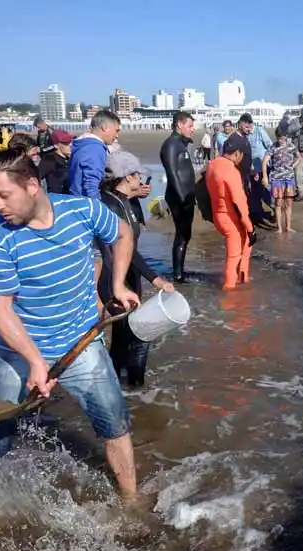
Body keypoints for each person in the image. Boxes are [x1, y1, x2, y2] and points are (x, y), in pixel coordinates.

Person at [0, 147, 141, 501]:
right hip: (18, 352)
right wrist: (35, 360)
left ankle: (132, 502)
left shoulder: (81, 210)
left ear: (31, 185)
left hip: (82, 344)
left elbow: (121, 233)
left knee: (115, 426)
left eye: (3, 195)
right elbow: (0, 309)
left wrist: (118, 284)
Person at [98, 150, 175, 387]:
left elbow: (131, 249)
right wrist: (155, 279)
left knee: (123, 338)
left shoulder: (125, 202)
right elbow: (123, 251)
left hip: (129, 279)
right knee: (140, 336)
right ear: (128, 177)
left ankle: (114, 388)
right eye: (138, 176)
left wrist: (151, 278)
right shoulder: (109, 206)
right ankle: (137, 391)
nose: (141, 180)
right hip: (114, 281)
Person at [206, 137, 258, 289]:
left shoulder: (212, 164)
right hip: (230, 218)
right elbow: (239, 203)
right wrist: (250, 228)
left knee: (245, 246)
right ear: (237, 153)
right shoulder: (231, 171)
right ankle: (230, 291)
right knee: (234, 255)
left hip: (218, 215)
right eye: (242, 156)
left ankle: (243, 278)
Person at [160, 111, 198, 283]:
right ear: (179, 125)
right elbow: (172, 173)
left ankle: (179, 272)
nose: (193, 129)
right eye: (190, 126)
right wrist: (182, 197)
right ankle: (177, 275)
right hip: (178, 197)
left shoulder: (180, 144)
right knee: (182, 235)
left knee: (185, 235)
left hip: (186, 196)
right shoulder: (170, 145)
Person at [67, 109, 121, 200]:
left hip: (75, 199)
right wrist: (98, 209)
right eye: (116, 130)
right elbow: (91, 185)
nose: (117, 136)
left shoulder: (82, 145)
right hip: (85, 204)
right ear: (104, 127)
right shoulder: (95, 148)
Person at [261, 130, 298, 234]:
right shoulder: (273, 147)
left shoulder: (291, 146)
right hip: (277, 178)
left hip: (289, 178)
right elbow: (264, 161)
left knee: (289, 203)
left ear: (286, 136)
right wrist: (265, 176)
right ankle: (279, 228)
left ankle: (288, 227)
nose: (280, 140)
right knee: (278, 203)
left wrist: (292, 166)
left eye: (282, 138)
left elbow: (299, 157)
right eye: (278, 138)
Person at [38, 129, 74, 194]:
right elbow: (35, 177)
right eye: (66, 143)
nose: (70, 145)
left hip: (72, 198)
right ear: (56, 145)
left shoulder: (72, 158)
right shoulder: (49, 159)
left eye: (71, 141)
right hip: (57, 199)